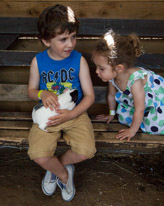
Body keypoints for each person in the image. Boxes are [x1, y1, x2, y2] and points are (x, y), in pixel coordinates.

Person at [27, 4, 96, 202]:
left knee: (87, 150)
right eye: (63, 39)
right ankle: (64, 175)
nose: (70, 44)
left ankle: (55, 167)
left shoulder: (79, 60)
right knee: (38, 155)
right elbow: (31, 91)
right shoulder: (38, 61)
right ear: (46, 40)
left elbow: (90, 96)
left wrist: (72, 115)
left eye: (73, 37)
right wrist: (42, 93)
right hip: (47, 115)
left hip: (74, 114)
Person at [92, 30, 164, 141]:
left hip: (157, 100)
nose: (97, 71)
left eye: (101, 68)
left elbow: (140, 109)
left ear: (119, 68)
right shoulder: (113, 77)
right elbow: (111, 96)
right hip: (140, 104)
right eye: (96, 67)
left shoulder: (135, 81)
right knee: (124, 117)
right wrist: (111, 114)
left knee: (156, 125)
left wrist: (132, 130)